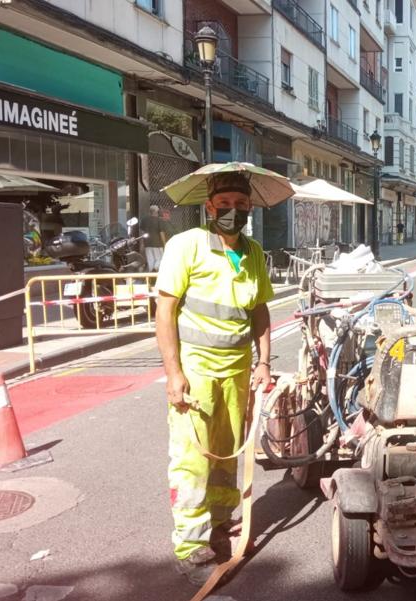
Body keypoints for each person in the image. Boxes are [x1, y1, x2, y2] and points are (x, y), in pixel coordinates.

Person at [155, 172, 274, 586]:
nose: (232, 211)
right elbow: (165, 311)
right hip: (196, 371)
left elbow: (259, 311)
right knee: (192, 458)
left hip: (237, 371)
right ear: (209, 207)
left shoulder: (255, 252)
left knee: (226, 453)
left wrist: (264, 363)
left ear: (250, 208)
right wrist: (174, 374)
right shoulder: (185, 246)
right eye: (224, 203)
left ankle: (220, 524)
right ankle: (190, 543)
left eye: (241, 205)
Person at [141, 204, 167, 270]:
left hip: (147, 244)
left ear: (150, 211)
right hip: (157, 244)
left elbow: (142, 233)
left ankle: (150, 277)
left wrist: (142, 244)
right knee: (160, 259)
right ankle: (155, 270)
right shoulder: (159, 220)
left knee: (150, 261)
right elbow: (161, 233)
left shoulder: (144, 220)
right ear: (156, 212)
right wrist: (165, 243)